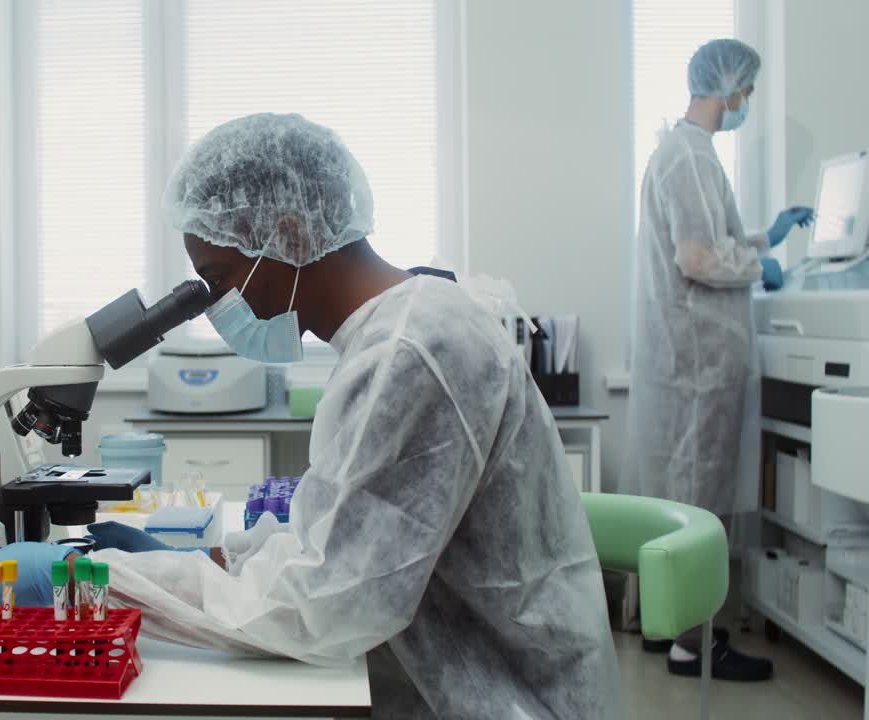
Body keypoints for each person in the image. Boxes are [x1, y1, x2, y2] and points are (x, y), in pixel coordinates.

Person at [84, 112, 620, 718]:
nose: (220, 307)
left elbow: (324, 605)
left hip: (506, 697)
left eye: (219, 279)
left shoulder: (410, 353)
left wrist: (107, 584)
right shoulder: (398, 330)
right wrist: (208, 559)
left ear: (289, 236)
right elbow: (335, 534)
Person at [623, 39, 812, 682]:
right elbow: (698, 258)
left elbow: (709, 236)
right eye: (747, 93)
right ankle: (692, 644)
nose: (747, 104)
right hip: (700, 358)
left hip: (690, 358)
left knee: (680, 494)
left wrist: (766, 236)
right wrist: (763, 266)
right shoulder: (688, 156)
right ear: (727, 88)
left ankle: (665, 626)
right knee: (697, 501)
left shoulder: (684, 152)